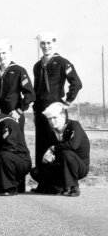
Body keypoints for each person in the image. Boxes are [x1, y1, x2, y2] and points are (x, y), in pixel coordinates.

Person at [32, 32, 82, 167]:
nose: (46, 46)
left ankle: (58, 183)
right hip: (40, 109)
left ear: (54, 44)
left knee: (56, 144)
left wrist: (67, 102)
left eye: (49, 43)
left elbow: (76, 83)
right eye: (43, 43)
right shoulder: (37, 66)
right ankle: (43, 182)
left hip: (55, 108)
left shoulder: (62, 62)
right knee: (41, 144)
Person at [30, 102, 89, 197]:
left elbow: (73, 145)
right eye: (49, 119)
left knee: (67, 154)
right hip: (61, 166)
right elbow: (52, 153)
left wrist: (54, 148)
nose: (52, 121)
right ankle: (56, 187)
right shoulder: (51, 133)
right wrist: (48, 159)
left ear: (62, 116)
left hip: (79, 167)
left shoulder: (74, 126)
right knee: (35, 171)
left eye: (55, 118)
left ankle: (74, 187)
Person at [0, 38, 35, 132]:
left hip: (13, 114)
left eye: (4, 53)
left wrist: (19, 111)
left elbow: (30, 94)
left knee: (15, 144)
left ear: (10, 52)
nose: (1, 56)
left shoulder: (19, 71)